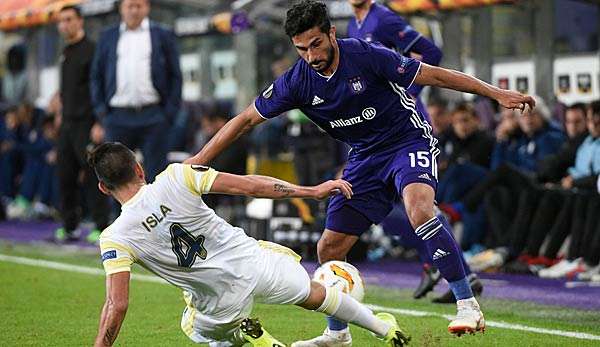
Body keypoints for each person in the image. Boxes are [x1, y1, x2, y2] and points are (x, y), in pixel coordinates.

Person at [188, 1, 534, 341]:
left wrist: (495, 93)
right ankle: (337, 334)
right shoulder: (296, 81)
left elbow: (436, 74)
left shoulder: (367, 55)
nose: (311, 56)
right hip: (364, 158)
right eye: (301, 49)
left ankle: (467, 304)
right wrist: (200, 158)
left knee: (419, 210)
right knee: (329, 248)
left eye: (316, 44)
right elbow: (246, 119)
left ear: (332, 34)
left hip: (406, 141)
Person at [91, 142, 409, 347]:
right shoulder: (178, 176)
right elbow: (251, 186)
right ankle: (385, 330)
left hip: (217, 301)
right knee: (317, 294)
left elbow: (116, 305)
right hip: (254, 263)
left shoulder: (115, 237)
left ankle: (257, 341)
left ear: (104, 188)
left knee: (197, 329)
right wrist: (311, 191)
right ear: (139, 168)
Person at [90, 0, 182, 182]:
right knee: (115, 175)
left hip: (153, 116)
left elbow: (175, 75)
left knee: (158, 176)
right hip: (117, 117)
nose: (134, 10)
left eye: (138, 6)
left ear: (147, 7)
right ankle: (120, 212)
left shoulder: (162, 34)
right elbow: (96, 75)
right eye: (129, 6)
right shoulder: (108, 36)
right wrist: (102, 112)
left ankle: (155, 211)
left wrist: (169, 113)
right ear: (121, 9)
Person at [54, 5, 109, 243]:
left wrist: (99, 122)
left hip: (87, 123)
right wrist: (59, 112)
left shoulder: (93, 50)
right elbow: (68, 89)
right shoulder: (65, 52)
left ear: (80, 22)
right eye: (61, 21)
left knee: (91, 176)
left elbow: (101, 88)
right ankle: (70, 226)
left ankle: (101, 226)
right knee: (65, 176)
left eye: (68, 20)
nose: (64, 25)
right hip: (66, 123)